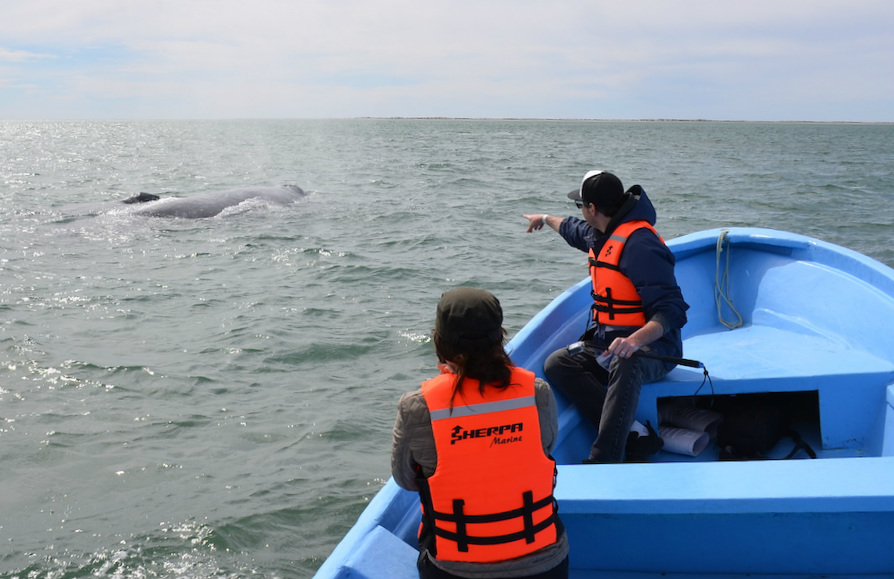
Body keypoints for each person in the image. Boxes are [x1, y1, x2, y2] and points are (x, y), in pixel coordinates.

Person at [392, 287, 569, 579]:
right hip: (545, 564)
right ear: (499, 337)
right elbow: (545, 447)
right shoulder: (536, 393)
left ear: (440, 343)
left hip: (454, 569)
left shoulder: (418, 406)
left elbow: (406, 479)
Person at [523, 170, 689, 463]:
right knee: (557, 363)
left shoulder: (640, 245)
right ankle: (635, 432)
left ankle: (604, 458)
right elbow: (572, 229)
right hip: (608, 344)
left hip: (657, 350)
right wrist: (545, 218)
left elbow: (672, 310)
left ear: (592, 209)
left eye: (581, 205)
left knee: (627, 361)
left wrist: (634, 341)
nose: (580, 211)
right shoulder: (599, 233)